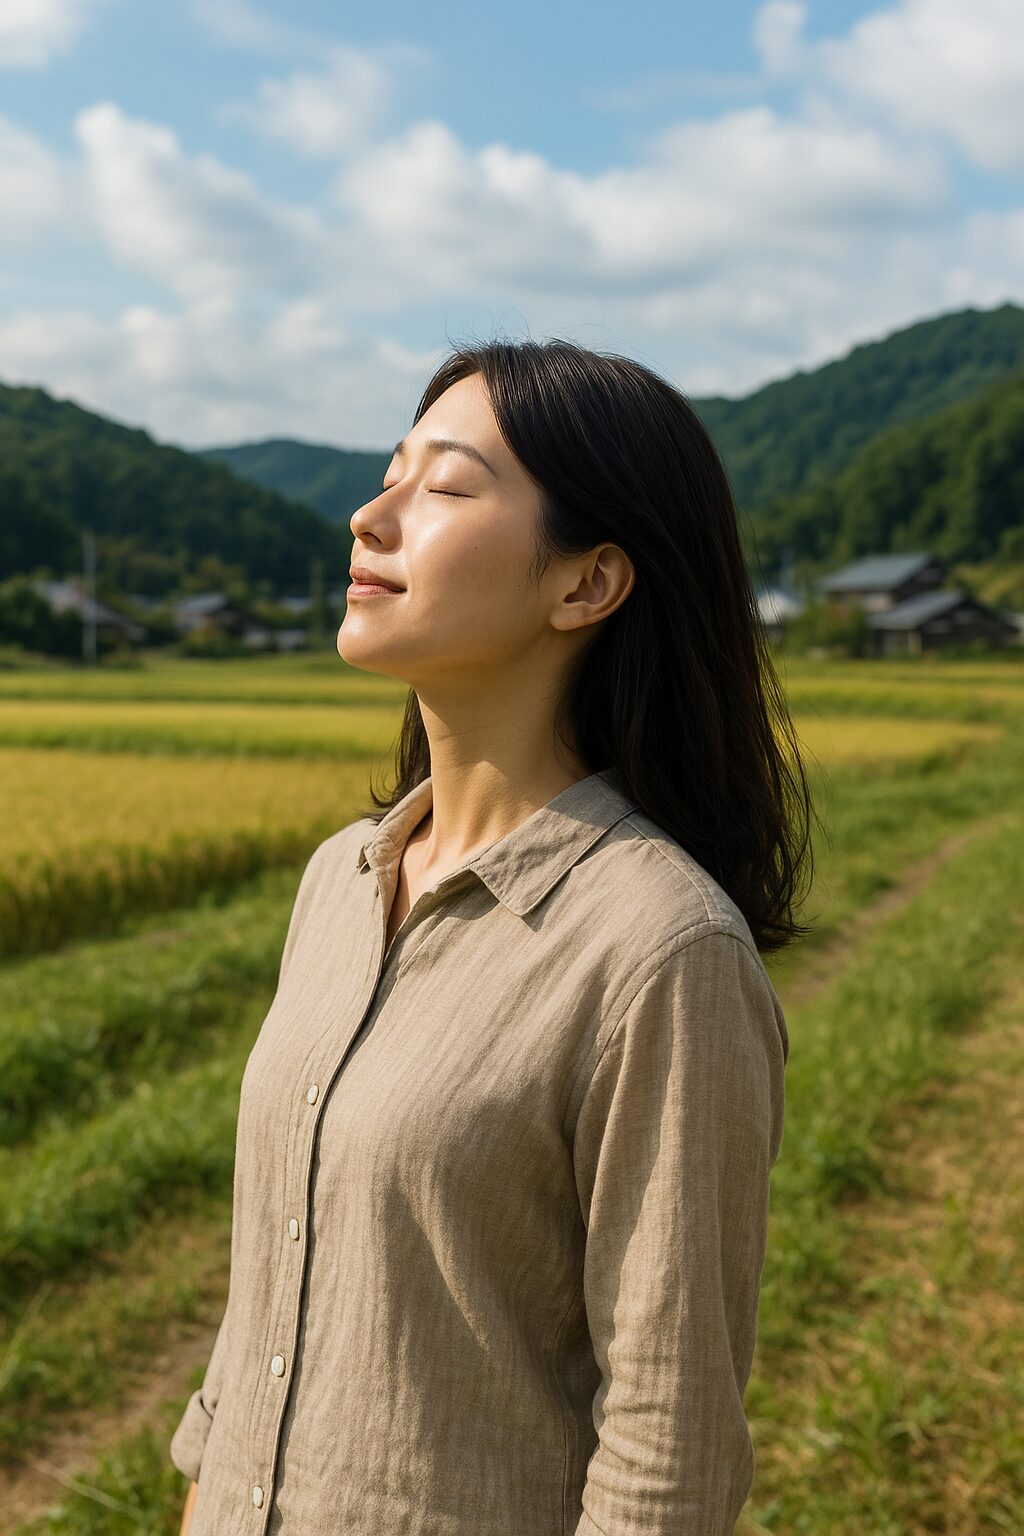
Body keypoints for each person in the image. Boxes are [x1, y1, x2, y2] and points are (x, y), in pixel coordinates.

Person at [172, 336, 815, 1535]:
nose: (370, 517)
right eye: (386, 472)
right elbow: (261, 1306)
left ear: (587, 584)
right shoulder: (338, 883)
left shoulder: (660, 953)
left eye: (447, 486)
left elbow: (666, 1453)